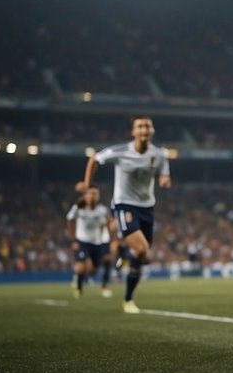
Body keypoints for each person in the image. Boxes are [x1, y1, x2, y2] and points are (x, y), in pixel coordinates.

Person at [78, 116, 171, 313]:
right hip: (124, 205)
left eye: (148, 125)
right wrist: (87, 184)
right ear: (133, 132)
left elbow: (164, 174)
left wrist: (164, 180)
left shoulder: (160, 154)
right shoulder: (120, 151)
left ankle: (128, 299)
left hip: (147, 208)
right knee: (143, 250)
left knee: (143, 257)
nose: (144, 129)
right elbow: (94, 159)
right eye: (140, 126)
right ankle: (123, 251)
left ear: (152, 130)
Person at [66, 186, 113, 298]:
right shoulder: (78, 208)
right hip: (82, 241)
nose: (92, 196)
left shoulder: (102, 209)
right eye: (90, 193)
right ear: (85, 195)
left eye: (95, 194)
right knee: (82, 266)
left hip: (96, 242)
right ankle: (79, 288)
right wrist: (73, 240)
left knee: (92, 271)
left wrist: (110, 238)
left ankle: (79, 277)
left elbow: (108, 222)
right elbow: (69, 219)